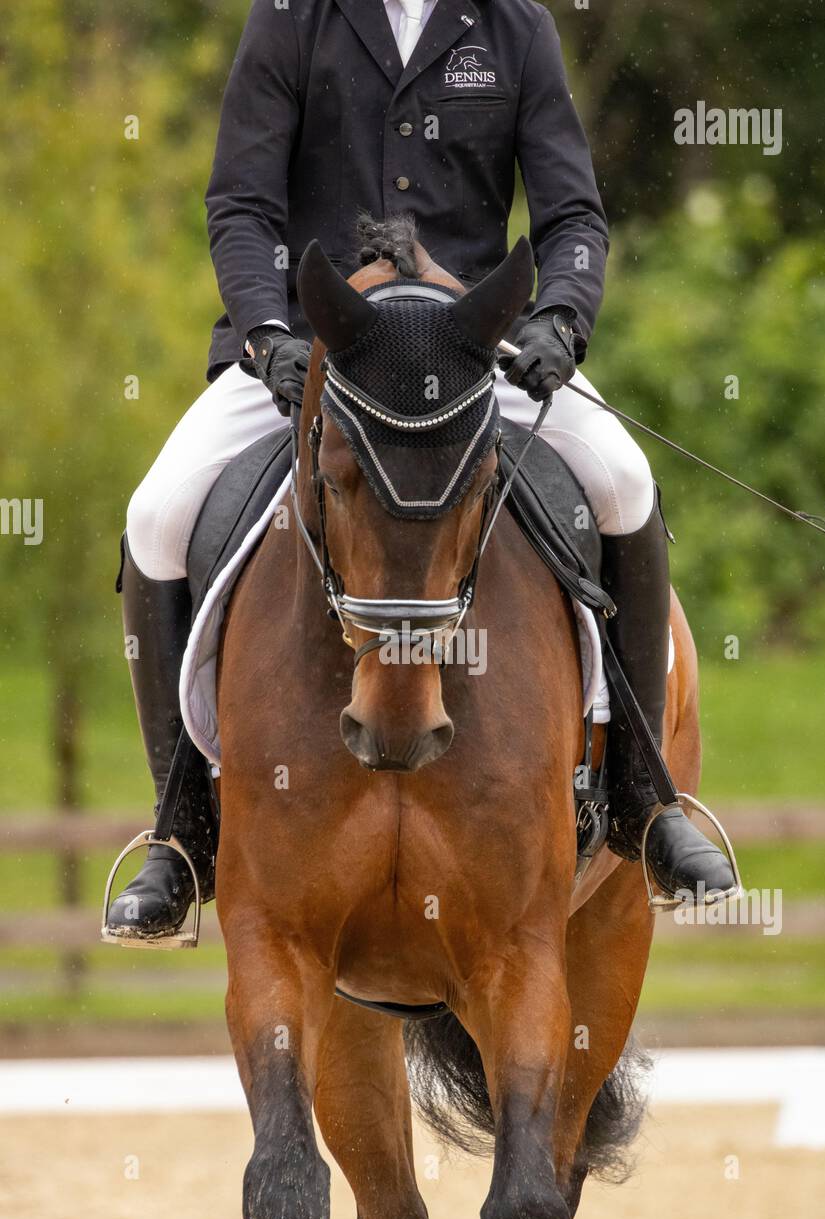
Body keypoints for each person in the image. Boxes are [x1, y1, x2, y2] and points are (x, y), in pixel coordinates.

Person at [106, 0, 735, 942]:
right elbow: (241, 203)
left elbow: (571, 215)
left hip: (466, 352)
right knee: (157, 515)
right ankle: (182, 830)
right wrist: (269, 333)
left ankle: (647, 799)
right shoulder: (291, 19)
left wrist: (558, 320)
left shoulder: (514, 24)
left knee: (624, 483)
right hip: (320, 347)